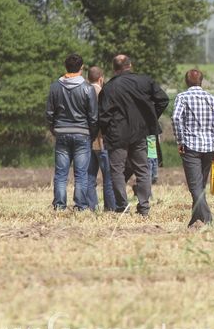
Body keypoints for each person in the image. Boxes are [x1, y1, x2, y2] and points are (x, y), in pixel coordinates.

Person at [99, 55, 169, 216]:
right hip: (140, 131)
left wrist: (104, 130)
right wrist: (150, 117)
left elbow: (103, 115)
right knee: (143, 170)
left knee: (117, 170)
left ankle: (122, 207)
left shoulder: (109, 88)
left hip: (117, 134)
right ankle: (144, 207)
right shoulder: (145, 81)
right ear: (130, 65)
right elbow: (163, 100)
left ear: (114, 68)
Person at [172, 69, 214, 228]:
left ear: (186, 82)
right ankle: (195, 221)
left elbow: (175, 118)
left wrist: (180, 140)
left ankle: (207, 219)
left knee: (195, 187)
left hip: (191, 146)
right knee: (199, 186)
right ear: (201, 81)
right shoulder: (212, 99)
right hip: (209, 147)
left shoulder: (182, 97)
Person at [46, 53, 98, 211]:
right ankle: (80, 206)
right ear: (82, 68)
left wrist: (54, 130)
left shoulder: (55, 87)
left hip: (61, 133)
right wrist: (92, 135)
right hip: (83, 134)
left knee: (61, 174)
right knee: (81, 174)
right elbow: (94, 117)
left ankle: (59, 206)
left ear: (66, 67)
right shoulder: (88, 89)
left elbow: (49, 114)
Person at [86, 67, 116, 211]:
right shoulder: (103, 93)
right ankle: (110, 207)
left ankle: (92, 207)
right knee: (108, 178)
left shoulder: (83, 92)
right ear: (101, 78)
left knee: (89, 177)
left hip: (86, 142)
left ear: (87, 78)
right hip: (102, 141)